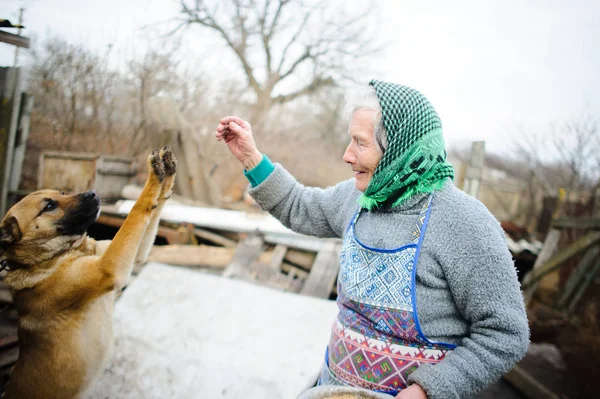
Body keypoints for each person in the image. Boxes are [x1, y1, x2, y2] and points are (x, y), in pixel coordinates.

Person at [215, 80, 529, 399]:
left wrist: (428, 390)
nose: (347, 155)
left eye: (359, 143)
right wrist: (251, 157)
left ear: (399, 150)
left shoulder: (464, 222)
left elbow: (505, 333)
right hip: (331, 388)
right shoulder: (358, 199)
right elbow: (299, 206)